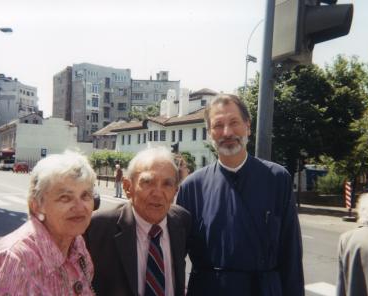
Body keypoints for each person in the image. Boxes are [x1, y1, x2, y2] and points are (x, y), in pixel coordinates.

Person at [176, 94, 304, 296]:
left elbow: (291, 255)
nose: (227, 132)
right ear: (209, 133)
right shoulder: (192, 187)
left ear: (248, 126)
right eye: (218, 125)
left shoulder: (277, 179)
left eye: (234, 122)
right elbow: (174, 258)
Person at [0, 151, 96, 295]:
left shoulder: (76, 243)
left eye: (85, 195)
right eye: (65, 197)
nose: (79, 207)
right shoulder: (15, 261)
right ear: (37, 205)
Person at [84, 147, 191, 296]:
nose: (158, 193)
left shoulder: (182, 221)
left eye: (167, 184)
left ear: (175, 191)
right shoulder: (97, 228)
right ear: (128, 187)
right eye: (148, 182)